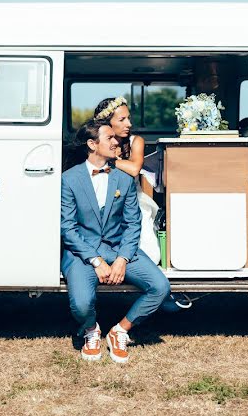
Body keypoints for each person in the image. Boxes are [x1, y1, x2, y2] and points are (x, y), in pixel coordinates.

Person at [60, 121, 171, 363]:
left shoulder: (123, 179)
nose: (116, 142)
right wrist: (96, 260)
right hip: (83, 254)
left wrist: (122, 259)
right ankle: (90, 329)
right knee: (81, 303)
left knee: (160, 287)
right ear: (92, 144)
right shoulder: (69, 179)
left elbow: (133, 224)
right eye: (109, 137)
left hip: (119, 249)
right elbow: (68, 228)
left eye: (115, 138)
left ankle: (120, 331)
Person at [93, 97, 192, 313]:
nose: (129, 123)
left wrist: (109, 159)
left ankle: (150, 287)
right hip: (105, 205)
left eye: (129, 118)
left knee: (152, 253)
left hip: (134, 203)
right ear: (108, 123)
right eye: (123, 119)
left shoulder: (135, 141)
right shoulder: (97, 142)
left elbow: (134, 168)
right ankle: (155, 290)